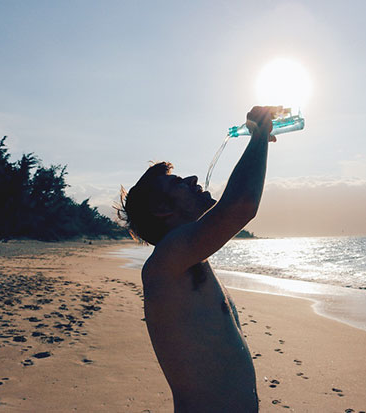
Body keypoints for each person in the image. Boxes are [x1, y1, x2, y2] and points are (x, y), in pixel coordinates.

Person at [119, 106, 279, 412]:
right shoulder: (166, 261)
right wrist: (257, 136)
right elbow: (241, 205)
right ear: (162, 210)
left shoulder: (189, 260)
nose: (193, 178)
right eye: (177, 182)